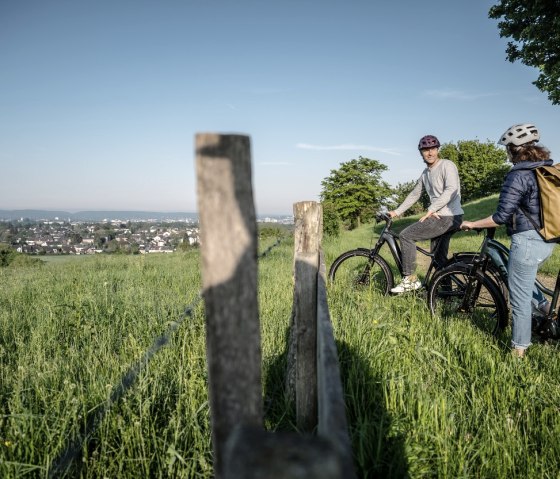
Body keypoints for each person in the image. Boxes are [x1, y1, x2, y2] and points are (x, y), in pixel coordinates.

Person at [460, 123, 556, 358]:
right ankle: (549, 314)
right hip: (548, 239)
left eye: (507, 149)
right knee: (527, 283)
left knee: (520, 299)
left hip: (527, 242)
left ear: (514, 149)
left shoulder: (518, 174)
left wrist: (472, 224)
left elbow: (501, 217)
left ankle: (518, 351)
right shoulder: (544, 169)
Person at [389, 135, 464, 293]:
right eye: (425, 150)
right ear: (421, 153)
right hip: (442, 216)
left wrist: (432, 208)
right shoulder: (425, 174)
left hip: (448, 216)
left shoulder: (447, 165)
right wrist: (396, 212)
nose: (429, 153)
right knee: (439, 259)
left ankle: (409, 279)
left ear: (437, 150)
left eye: (432, 149)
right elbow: (414, 194)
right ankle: (446, 294)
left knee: (406, 235)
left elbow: (451, 190)